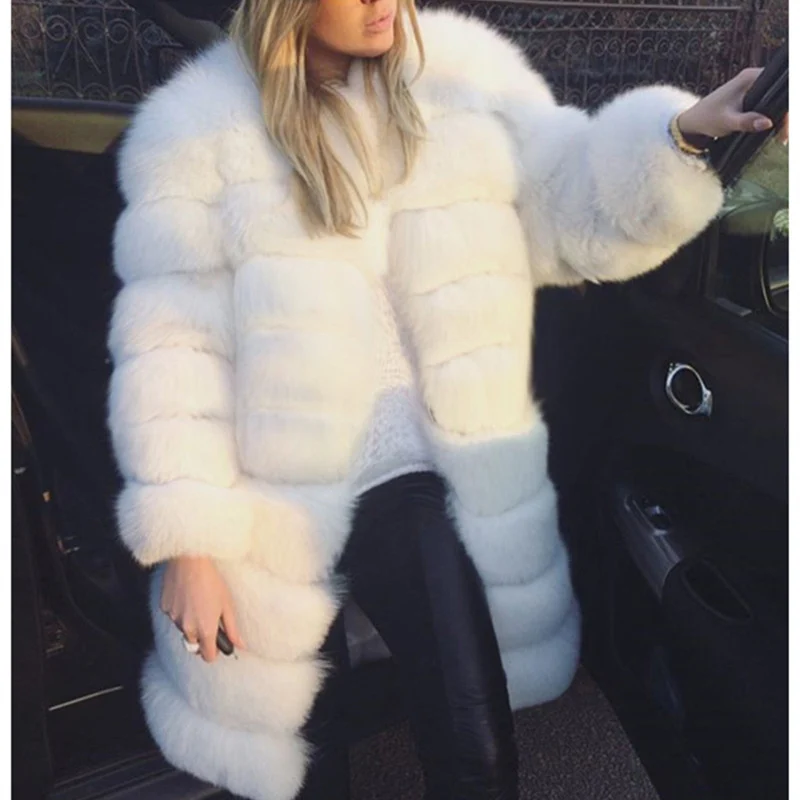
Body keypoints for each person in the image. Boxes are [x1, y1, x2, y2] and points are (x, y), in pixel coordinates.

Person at [106, 1, 781, 798]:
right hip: (265, 485)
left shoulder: (460, 79)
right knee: (305, 754)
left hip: (412, 464)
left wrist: (683, 137)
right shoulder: (197, 130)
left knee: (476, 749)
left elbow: (573, 211)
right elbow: (173, 348)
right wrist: (189, 543)